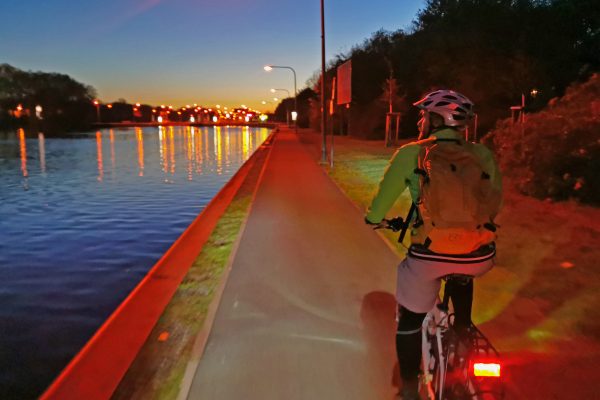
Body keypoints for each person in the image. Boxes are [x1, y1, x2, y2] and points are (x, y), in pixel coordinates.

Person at [364, 90, 502, 400]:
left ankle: (410, 389)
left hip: (430, 253)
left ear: (433, 119)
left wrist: (374, 218)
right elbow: (495, 202)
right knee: (463, 267)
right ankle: (463, 329)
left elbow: (380, 205)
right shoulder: (482, 155)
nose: (421, 120)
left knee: (410, 317)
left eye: (424, 115)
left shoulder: (411, 153)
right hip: (480, 254)